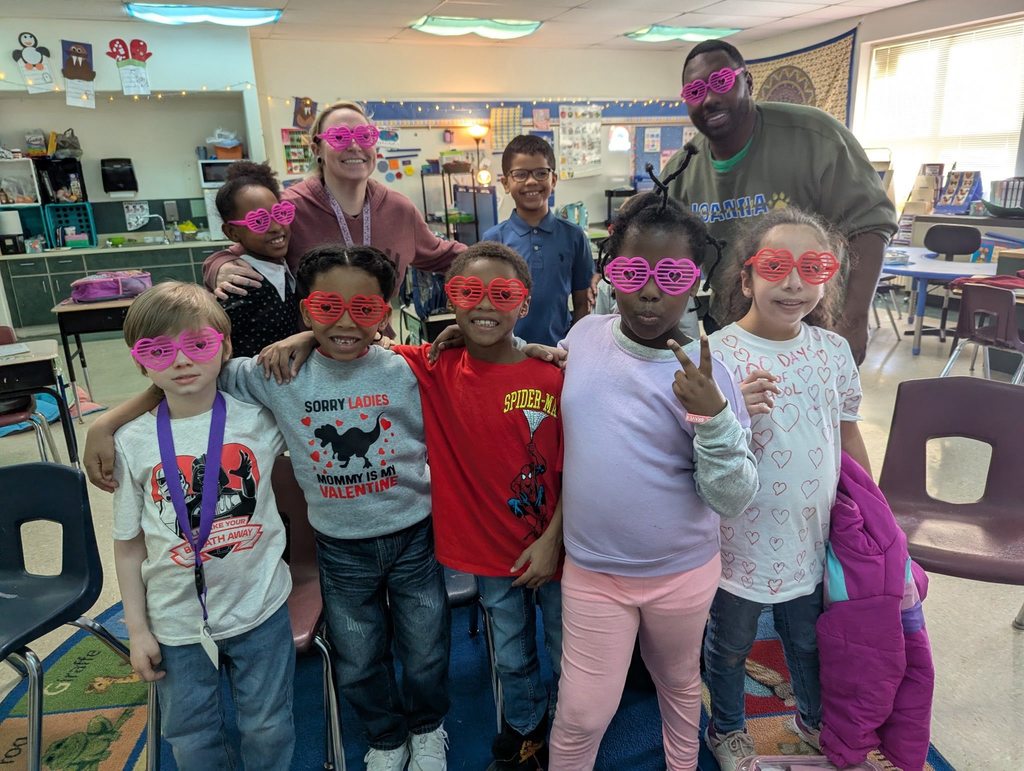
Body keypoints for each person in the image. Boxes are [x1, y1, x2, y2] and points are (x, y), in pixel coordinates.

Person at [88, 248, 452, 771]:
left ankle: (427, 728)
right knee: (357, 656)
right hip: (339, 547)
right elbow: (187, 371)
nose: (345, 321)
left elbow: (478, 359)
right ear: (305, 309)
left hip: (413, 537)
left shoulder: (407, 368)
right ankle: (386, 736)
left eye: (364, 308)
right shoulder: (276, 375)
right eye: (327, 307)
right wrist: (106, 422)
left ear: (386, 311)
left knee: (427, 649)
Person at [545, 184, 758, 769]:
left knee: (679, 682)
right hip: (593, 571)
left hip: (680, 573)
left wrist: (713, 417)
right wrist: (486, 344)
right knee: (581, 712)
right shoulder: (584, 336)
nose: (649, 291)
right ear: (610, 271)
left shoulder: (712, 375)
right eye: (633, 271)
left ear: (696, 281)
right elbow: (543, 372)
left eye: (672, 275)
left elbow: (733, 497)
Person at [703, 207, 870, 771]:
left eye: (812, 267)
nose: (794, 282)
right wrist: (733, 414)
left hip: (810, 537)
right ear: (746, 278)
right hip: (736, 543)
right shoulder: (719, 354)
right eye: (776, 265)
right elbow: (696, 450)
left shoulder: (832, 351)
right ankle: (728, 729)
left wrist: (871, 509)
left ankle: (812, 719)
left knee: (807, 640)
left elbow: (847, 433)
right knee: (730, 645)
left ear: (827, 278)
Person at [108, 282, 294, 771]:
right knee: (190, 736)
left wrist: (306, 337)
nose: (181, 360)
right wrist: (137, 630)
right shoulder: (130, 441)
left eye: (198, 344)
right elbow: (128, 546)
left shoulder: (261, 420)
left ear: (225, 348)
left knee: (268, 726)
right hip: (176, 622)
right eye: (158, 350)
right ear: (140, 363)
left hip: (260, 607)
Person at [397, 241, 565, 770]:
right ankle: (527, 732)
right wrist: (305, 335)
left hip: (562, 548)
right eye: (469, 291)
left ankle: (571, 732)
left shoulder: (555, 375)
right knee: (511, 658)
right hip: (492, 557)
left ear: (525, 302)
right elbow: (356, 341)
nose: (485, 304)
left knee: (570, 653)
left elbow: (582, 469)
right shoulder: (434, 366)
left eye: (502, 293)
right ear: (451, 299)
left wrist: (553, 540)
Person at [663, 39, 898, 364]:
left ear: (747, 82)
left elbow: (870, 225)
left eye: (722, 82)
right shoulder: (683, 169)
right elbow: (664, 253)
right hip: (732, 328)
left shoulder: (816, 138)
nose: (710, 99)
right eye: (695, 91)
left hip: (814, 325)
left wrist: (854, 321)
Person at [204, 101, 465, 315]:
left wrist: (490, 257)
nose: (354, 145)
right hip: (308, 354)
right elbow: (232, 254)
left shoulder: (400, 210)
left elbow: (444, 255)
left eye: (364, 136)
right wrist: (219, 267)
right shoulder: (289, 208)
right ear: (316, 149)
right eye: (339, 137)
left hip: (377, 349)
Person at [483, 134, 594, 346]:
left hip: (558, 352)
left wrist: (575, 346)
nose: (532, 181)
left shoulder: (574, 236)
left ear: (553, 180)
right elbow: (486, 304)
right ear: (505, 183)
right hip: (507, 352)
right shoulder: (493, 239)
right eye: (520, 174)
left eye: (541, 173)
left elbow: (582, 302)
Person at [213, 160, 300, 357]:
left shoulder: (281, 268)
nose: (276, 226)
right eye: (259, 221)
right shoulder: (240, 283)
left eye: (280, 214)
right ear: (232, 233)